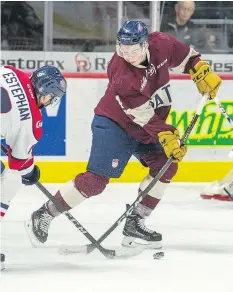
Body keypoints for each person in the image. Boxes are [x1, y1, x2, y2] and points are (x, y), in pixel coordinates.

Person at [25, 20, 221, 251]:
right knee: (95, 182)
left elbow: (188, 57)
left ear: (145, 43)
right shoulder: (120, 72)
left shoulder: (162, 43)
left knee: (166, 166)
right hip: (115, 125)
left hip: (146, 126)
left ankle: (135, 222)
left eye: (134, 50)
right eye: (123, 49)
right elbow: (143, 116)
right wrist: (168, 136)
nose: (128, 55)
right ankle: (44, 214)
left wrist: (199, 68)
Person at [0, 65, 67, 270]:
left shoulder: (12, 71)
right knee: (10, 180)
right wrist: (30, 172)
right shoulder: (32, 120)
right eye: (51, 97)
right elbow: (19, 164)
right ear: (45, 95)